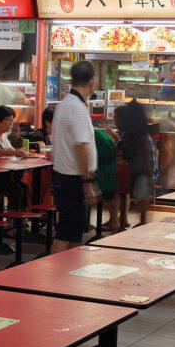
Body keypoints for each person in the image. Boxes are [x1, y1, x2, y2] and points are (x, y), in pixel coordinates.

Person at [51, 61, 100, 251]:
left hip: (65, 176)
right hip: (73, 179)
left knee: (73, 233)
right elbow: (81, 146)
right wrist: (88, 183)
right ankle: (51, 277)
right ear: (92, 83)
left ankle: (67, 275)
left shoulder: (65, 104)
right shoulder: (76, 108)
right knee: (66, 232)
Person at [116, 99, 156, 227]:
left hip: (141, 168)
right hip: (140, 167)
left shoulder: (135, 132)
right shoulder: (140, 130)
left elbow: (143, 150)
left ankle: (139, 222)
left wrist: (147, 168)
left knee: (128, 192)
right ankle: (131, 221)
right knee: (133, 193)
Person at [94, 126, 120, 231]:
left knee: (108, 192)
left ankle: (114, 222)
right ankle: (114, 220)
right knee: (111, 191)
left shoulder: (95, 133)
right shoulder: (100, 132)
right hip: (109, 162)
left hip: (103, 163)